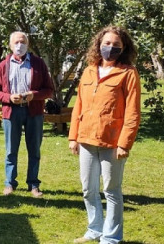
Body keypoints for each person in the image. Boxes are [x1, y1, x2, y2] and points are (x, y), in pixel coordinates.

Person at [68, 26, 141, 244]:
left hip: (112, 141)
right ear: (99, 45)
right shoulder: (90, 70)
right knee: (88, 189)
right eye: (107, 43)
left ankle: (111, 237)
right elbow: (78, 105)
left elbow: (133, 111)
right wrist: (73, 137)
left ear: (124, 48)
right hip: (86, 139)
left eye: (116, 45)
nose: (110, 48)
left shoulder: (128, 73)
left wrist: (124, 143)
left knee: (111, 190)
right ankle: (94, 229)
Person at [0, 31, 54, 198]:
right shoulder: (3, 65)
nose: (20, 45)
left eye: (23, 42)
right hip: (11, 112)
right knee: (11, 150)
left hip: (34, 112)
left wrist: (35, 95)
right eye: (16, 42)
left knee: (34, 150)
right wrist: (9, 97)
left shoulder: (38, 64)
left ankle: (33, 184)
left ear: (28, 44)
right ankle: (10, 184)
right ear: (11, 45)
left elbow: (49, 89)